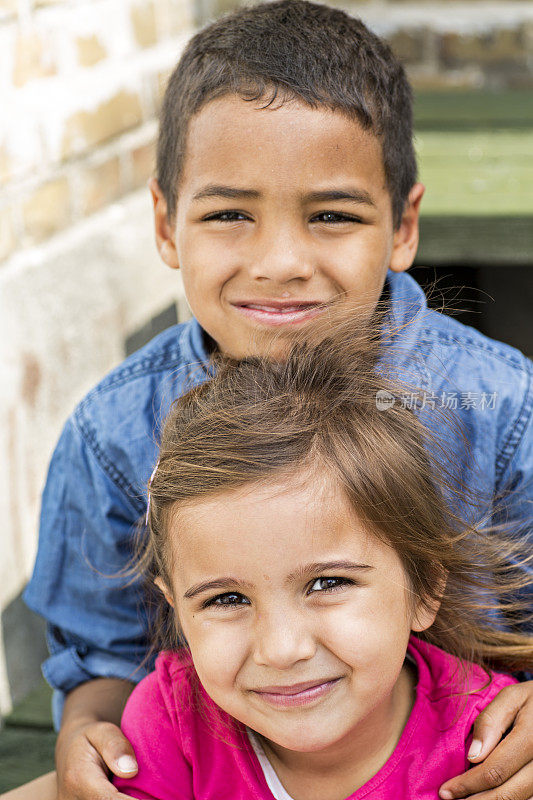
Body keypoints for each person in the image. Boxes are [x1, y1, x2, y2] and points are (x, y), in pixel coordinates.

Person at [22, 1, 533, 799]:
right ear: (165, 225)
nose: (280, 260)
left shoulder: (501, 412)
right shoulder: (114, 434)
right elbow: (100, 659)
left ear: (402, 226)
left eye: (331, 216)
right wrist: (91, 736)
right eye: (229, 214)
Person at [113, 313, 532, 800]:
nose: (282, 650)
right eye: (226, 598)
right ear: (177, 608)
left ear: (424, 590)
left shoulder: (493, 747)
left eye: (328, 583)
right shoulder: (170, 725)